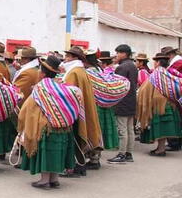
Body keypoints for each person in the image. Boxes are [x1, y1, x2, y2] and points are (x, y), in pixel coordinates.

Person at [18, 56, 82, 189]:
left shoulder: (41, 88)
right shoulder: (64, 86)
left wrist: (23, 121)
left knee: (47, 151)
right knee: (58, 151)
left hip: (46, 126)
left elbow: (28, 107)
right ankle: (54, 179)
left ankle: (44, 180)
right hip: (64, 126)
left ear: (42, 73)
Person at [61, 46, 102, 177]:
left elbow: (68, 93)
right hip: (80, 109)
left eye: (68, 56)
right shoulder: (79, 70)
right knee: (78, 137)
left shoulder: (74, 72)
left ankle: (76, 167)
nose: (65, 58)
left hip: (74, 111)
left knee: (76, 138)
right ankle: (80, 165)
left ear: (74, 58)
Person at [137, 53, 182, 156]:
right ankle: (160, 148)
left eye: (155, 62)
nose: (154, 64)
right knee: (163, 128)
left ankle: (161, 150)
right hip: (168, 104)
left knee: (161, 128)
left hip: (160, 105)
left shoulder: (157, 74)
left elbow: (147, 87)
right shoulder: (166, 73)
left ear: (158, 62)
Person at [107, 44, 138, 164]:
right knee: (130, 128)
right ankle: (129, 153)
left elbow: (118, 86)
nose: (116, 55)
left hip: (123, 101)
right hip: (131, 100)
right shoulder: (133, 66)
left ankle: (121, 154)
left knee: (122, 129)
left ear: (124, 53)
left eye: (118, 53)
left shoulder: (122, 67)